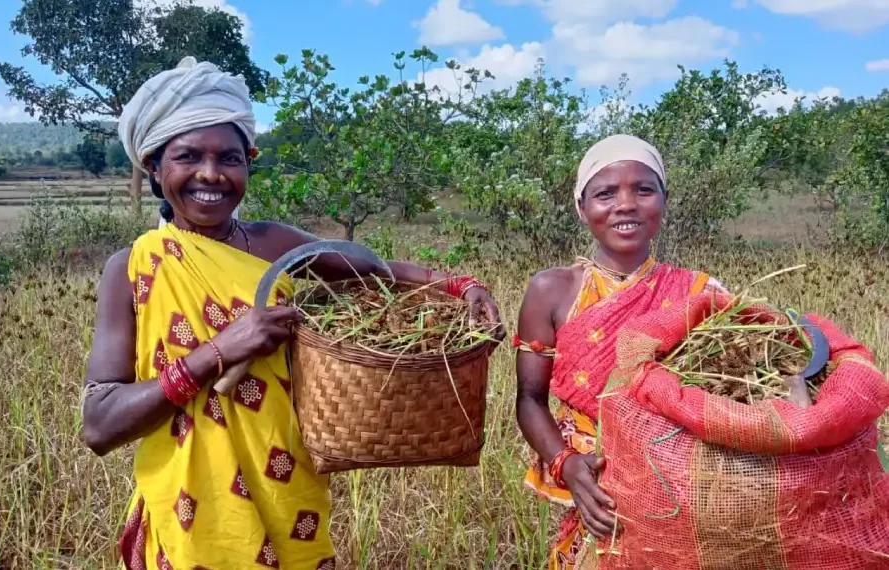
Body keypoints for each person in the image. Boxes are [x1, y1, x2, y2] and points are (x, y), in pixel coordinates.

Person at [80, 57, 505, 570]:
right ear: (153, 165)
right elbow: (100, 425)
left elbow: (376, 270)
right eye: (187, 156)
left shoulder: (272, 243)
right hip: (189, 515)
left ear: (249, 161)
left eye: (230, 159)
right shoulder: (131, 268)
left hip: (285, 492)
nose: (210, 175)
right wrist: (219, 351)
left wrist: (464, 286)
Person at [513, 134, 727, 569]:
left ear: (664, 201)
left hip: (679, 483)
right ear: (581, 207)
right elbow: (529, 400)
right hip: (596, 486)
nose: (625, 204)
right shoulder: (551, 291)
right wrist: (567, 465)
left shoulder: (700, 293)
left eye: (643, 190)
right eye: (605, 193)